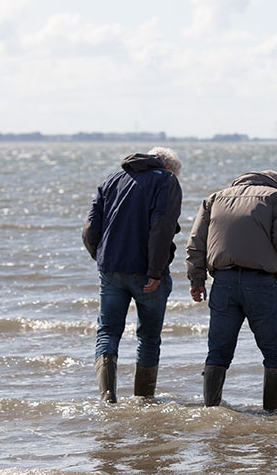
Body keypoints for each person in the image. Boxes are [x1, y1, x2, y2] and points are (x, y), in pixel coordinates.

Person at [185, 170, 277, 411]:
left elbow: (196, 243)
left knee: (218, 351)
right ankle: (271, 414)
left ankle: (211, 410)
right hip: (260, 284)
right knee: (274, 351)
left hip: (223, 282)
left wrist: (196, 280)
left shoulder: (214, 198)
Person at [82, 147, 182, 403]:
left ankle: (107, 399)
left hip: (111, 268)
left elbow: (90, 227)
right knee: (148, 336)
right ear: (168, 168)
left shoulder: (112, 179)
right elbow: (162, 227)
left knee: (107, 332)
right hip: (146, 271)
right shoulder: (166, 181)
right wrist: (155, 271)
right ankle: (144, 400)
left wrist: (102, 257)